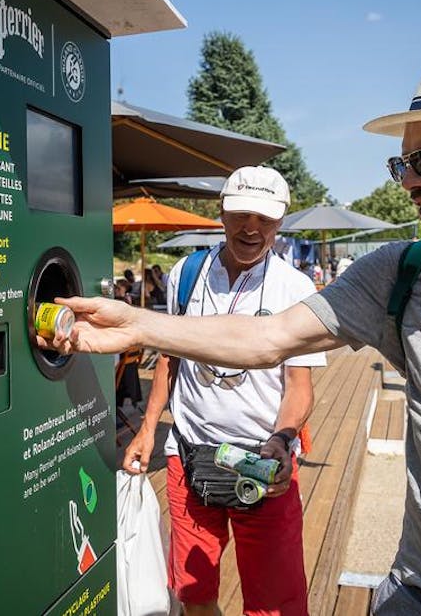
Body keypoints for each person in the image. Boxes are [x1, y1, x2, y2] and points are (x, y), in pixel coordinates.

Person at [42, 50, 421, 613]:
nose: (408, 182)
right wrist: (138, 324)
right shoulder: (399, 274)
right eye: (403, 163)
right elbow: (266, 340)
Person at [123, 166, 325, 616]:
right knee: (194, 594)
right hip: (188, 455)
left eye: (265, 218)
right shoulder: (187, 272)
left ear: (280, 222)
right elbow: (169, 359)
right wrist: (148, 428)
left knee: (275, 603)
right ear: (221, 213)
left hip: (262, 462)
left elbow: (299, 386)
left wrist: (282, 440)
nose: (251, 228)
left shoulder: (295, 287)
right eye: (241, 214)